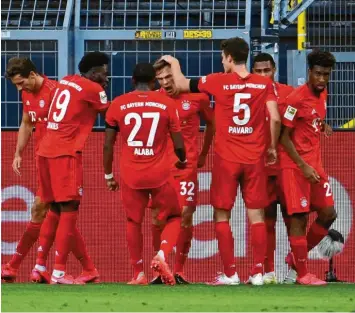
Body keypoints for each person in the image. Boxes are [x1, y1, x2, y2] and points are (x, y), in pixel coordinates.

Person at [160, 37, 281, 285]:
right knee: (257, 215)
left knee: (222, 215)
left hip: (227, 159)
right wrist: (271, 147)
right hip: (254, 158)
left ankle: (230, 274)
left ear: (228, 57)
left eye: (222, 57)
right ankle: (258, 273)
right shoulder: (263, 84)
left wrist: (173, 62)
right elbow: (276, 118)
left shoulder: (217, 81)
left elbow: (181, 83)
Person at [2, 57, 96, 284]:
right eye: (16, 84)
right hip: (43, 160)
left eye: (21, 82)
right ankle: (84, 268)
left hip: (61, 159)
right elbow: (27, 123)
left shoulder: (56, 91)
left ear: (33, 75)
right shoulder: (27, 94)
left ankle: (17, 266)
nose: (19, 88)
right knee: (56, 212)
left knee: (47, 209)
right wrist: (18, 153)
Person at [103, 63, 186, 286]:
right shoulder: (167, 103)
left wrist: (108, 175)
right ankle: (161, 254)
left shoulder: (118, 104)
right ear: (154, 82)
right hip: (158, 172)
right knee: (175, 216)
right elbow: (178, 143)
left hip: (131, 174)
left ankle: (138, 273)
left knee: (133, 221)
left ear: (132, 81)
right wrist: (183, 159)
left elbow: (108, 145)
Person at [33, 52, 110, 284]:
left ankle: (40, 265)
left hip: (45, 149)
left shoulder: (66, 80)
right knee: (70, 207)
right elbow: (111, 113)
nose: (106, 79)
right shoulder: (93, 89)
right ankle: (59, 271)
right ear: (94, 72)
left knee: (55, 208)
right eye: (104, 74)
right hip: (65, 152)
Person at [148, 59, 214, 284]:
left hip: (186, 166)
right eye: (161, 79)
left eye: (169, 77)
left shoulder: (198, 97)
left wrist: (204, 154)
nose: (166, 83)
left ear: (178, 73)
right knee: (158, 219)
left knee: (185, 216)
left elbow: (212, 124)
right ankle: (159, 270)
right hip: (160, 170)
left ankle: (178, 270)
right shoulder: (155, 99)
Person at [279, 49, 337, 285]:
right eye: (318, 74)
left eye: (326, 74)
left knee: (328, 213)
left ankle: (295, 258)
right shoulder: (295, 99)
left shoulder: (323, 94)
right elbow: (283, 137)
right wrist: (302, 166)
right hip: (295, 167)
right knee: (299, 219)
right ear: (309, 72)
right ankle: (302, 274)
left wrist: (322, 124)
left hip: (315, 165)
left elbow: (312, 117)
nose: (322, 79)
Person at [252, 53, 294, 284]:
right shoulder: (247, 95)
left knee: (293, 219)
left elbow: (301, 119)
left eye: (266, 70)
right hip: (260, 165)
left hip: (285, 165)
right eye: (257, 71)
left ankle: (296, 270)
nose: (262, 75)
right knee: (267, 219)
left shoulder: (288, 93)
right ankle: (268, 272)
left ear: (274, 69)